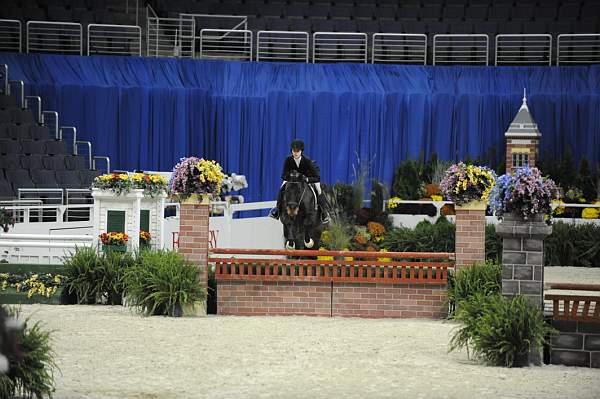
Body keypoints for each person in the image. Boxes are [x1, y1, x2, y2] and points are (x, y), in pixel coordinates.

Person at [269, 139, 330, 224]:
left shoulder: (307, 161)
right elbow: (283, 175)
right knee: (282, 188)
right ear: (292, 151)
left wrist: (307, 179)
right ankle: (277, 210)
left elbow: (317, 177)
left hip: (308, 178)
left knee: (318, 190)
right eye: (294, 151)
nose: (295, 153)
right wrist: (290, 176)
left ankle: (324, 213)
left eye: (297, 151)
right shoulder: (288, 159)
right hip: (292, 180)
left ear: (301, 151)